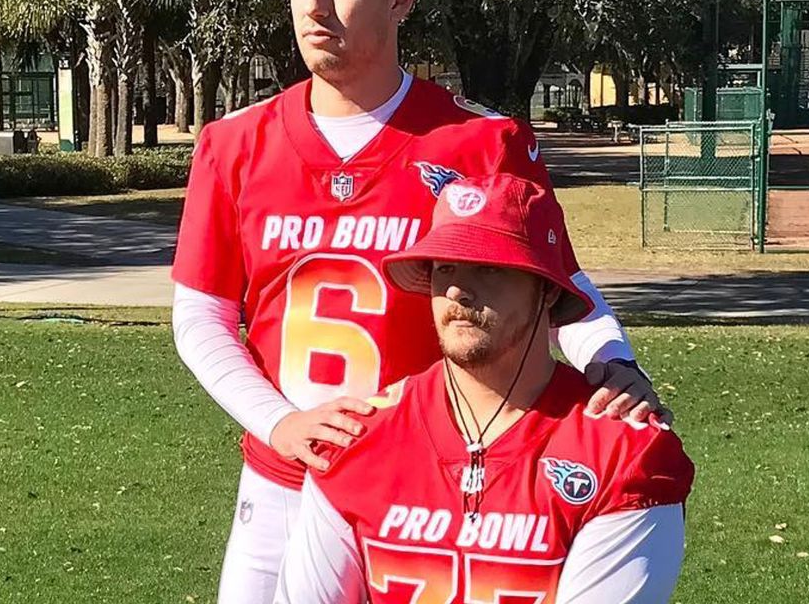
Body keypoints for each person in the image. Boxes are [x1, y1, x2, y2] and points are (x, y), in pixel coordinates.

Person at [170, 0, 670, 601]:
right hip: (282, 485)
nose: (314, 7)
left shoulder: (480, 141)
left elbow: (556, 281)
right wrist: (280, 423)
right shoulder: (233, 144)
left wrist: (613, 362)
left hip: (422, 491)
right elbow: (201, 316)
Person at [275, 173, 694, 603]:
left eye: (490, 268)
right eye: (445, 268)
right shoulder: (354, 439)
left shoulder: (623, 451)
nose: (457, 290)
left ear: (547, 289)